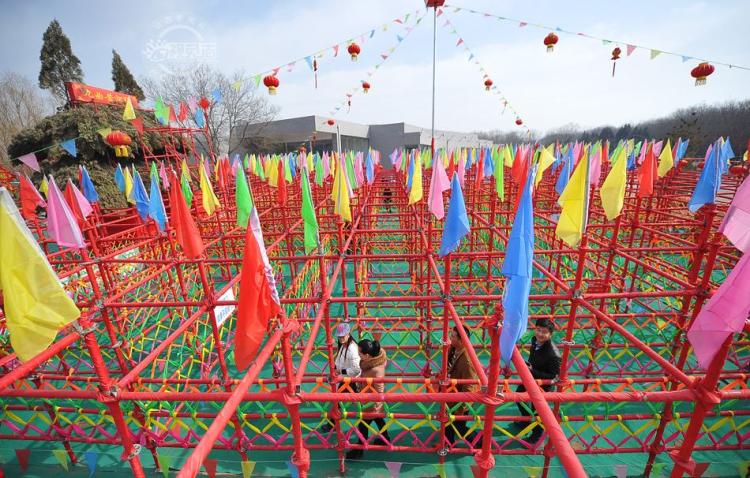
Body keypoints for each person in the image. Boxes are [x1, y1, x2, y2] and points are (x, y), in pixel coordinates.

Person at [512, 318, 561, 443]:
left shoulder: (553, 355)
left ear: (550, 334)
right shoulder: (535, 340)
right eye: (538, 330)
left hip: (542, 385)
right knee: (519, 399)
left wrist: (531, 370)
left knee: (538, 410)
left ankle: (536, 435)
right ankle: (526, 420)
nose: (540, 334)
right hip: (530, 378)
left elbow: (552, 376)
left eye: (544, 332)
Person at [346, 339, 390, 460]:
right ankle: (385, 439)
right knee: (379, 421)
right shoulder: (371, 362)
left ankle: (359, 450)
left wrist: (376, 405)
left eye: (360, 353)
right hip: (370, 401)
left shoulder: (376, 370)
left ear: (367, 355)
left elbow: (380, 390)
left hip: (371, 404)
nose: (358, 355)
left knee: (363, 425)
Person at [321, 322, 361, 433]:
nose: (341, 338)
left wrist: (340, 371)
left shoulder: (352, 349)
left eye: (342, 336)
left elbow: (356, 369)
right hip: (345, 377)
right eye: (339, 337)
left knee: (337, 401)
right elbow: (339, 360)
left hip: (349, 380)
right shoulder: (345, 345)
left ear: (348, 334)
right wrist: (335, 368)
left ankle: (332, 425)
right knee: (342, 401)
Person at [444, 325, 479, 447]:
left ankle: (480, 443)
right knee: (448, 420)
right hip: (452, 395)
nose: (450, 338)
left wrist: (462, 408)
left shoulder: (466, 360)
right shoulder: (454, 349)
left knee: (459, 427)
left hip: (461, 399)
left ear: (461, 340)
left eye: (453, 336)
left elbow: (469, 386)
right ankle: (447, 442)